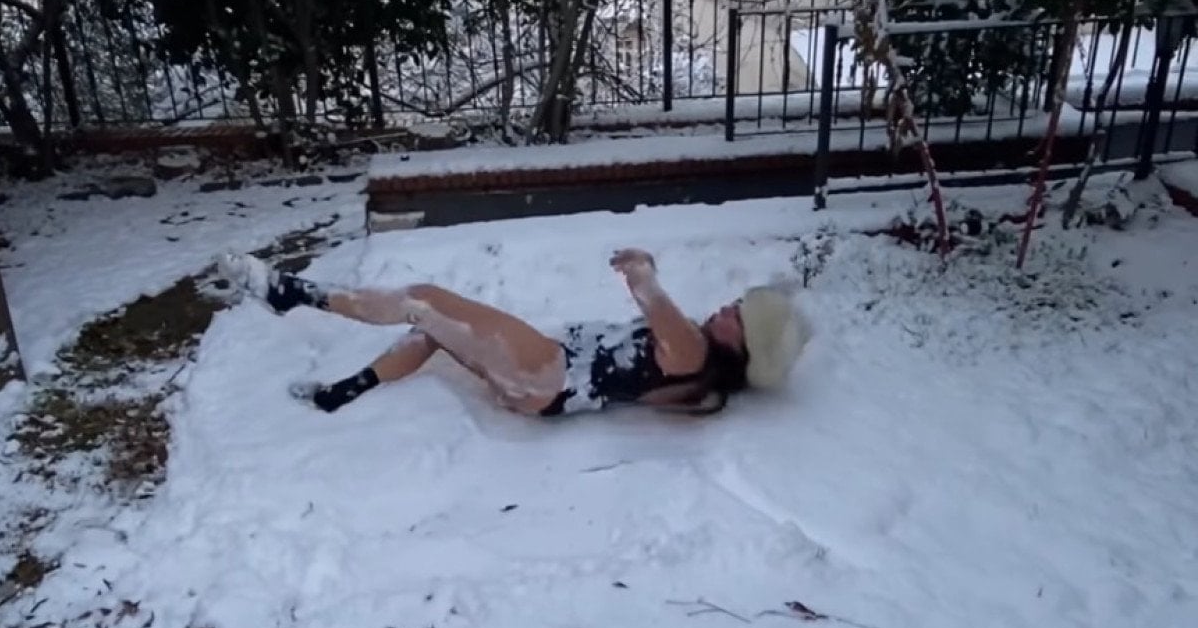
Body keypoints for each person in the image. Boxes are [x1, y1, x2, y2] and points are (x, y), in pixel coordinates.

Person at [219, 249, 811, 419]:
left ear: (743, 345)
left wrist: (643, 266)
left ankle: (294, 294)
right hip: (542, 393)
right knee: (437, 331)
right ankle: (342, 392)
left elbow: (647, 291)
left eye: (740, 313)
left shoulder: (693, 350)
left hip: (548, 369)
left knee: (422, 299)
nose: (728, 306)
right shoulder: (702, 379)